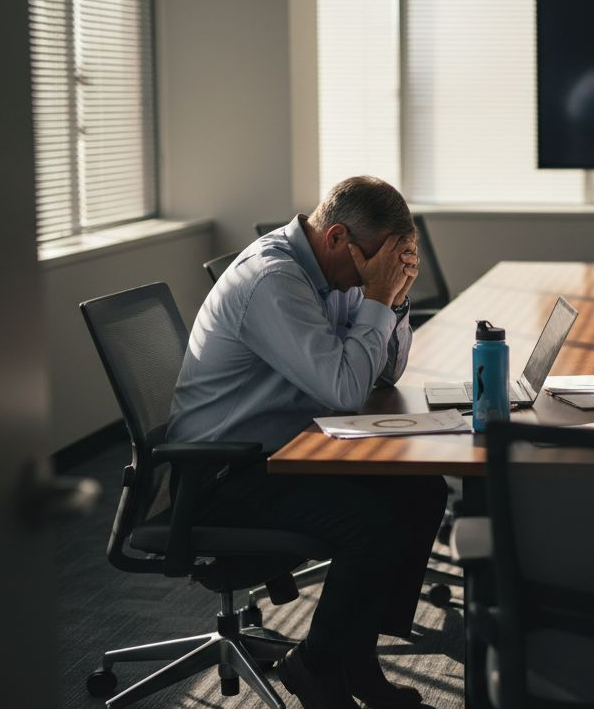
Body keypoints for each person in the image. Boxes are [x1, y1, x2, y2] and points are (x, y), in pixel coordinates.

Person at [166, 175, 447, 709]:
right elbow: (344, 390)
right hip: (222, 473)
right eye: (374, 260)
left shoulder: (336, 275)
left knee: (421, 489)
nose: (373, 276)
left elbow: (379, 377)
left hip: (286, 451)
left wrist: (395, 300)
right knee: (370, 527)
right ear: (337, 238)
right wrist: (378, 298)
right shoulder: (275, 279)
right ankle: (315, 666)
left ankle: (355, 661)